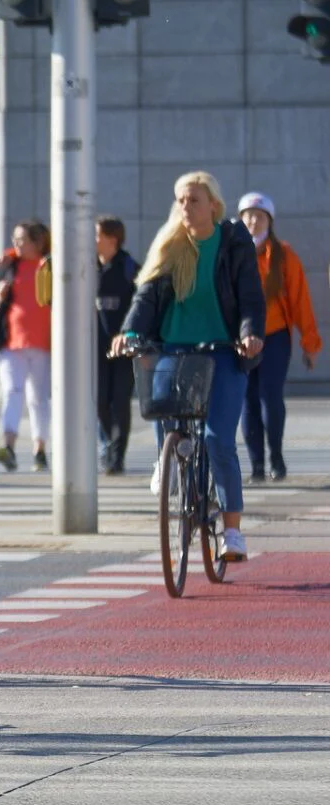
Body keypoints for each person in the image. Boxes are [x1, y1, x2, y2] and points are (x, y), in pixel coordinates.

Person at [112, 170, 264, 561]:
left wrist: (250, 334)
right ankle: (169, 463)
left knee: (218, 440)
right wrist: (130, 333)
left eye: (193, 200)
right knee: (166, 417)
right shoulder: (170, 243)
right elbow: (145, 298)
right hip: (174, 350)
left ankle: (232, 534)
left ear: (213, 205)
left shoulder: (232, 241)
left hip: (224, 351)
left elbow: (250, 296)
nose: (185, 206)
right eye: (180, 199)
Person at [235, 192, 321, 482]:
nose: (253, 221)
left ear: (269, 221)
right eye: (247, 216)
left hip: (275, 336)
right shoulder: (232, 251)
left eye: (259, 217)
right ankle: (256, 464)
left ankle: (276, 457)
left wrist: (310, 344)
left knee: (270, 397)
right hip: (242, 338)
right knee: (247, 399)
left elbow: (300, 301)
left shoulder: (284, 255)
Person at [0, 220, 52, 472]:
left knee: (38, 399)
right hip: (11, 341)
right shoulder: (10, 265)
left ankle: (40, 449)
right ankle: (9, 445)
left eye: (21, 240)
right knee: (12, 391)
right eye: (15, 239)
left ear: (37, 242)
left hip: (43, 342)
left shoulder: (49, 265)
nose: (16, 244)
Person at [95, 216, 140, 475]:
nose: (94, 241)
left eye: (98, 235)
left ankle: (116, 457)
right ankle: (108, 447)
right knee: (100, 400)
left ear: (112, 239)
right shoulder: (88, 267)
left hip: (124, 348)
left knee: (120, 401)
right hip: (97, 349)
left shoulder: (129, 267)